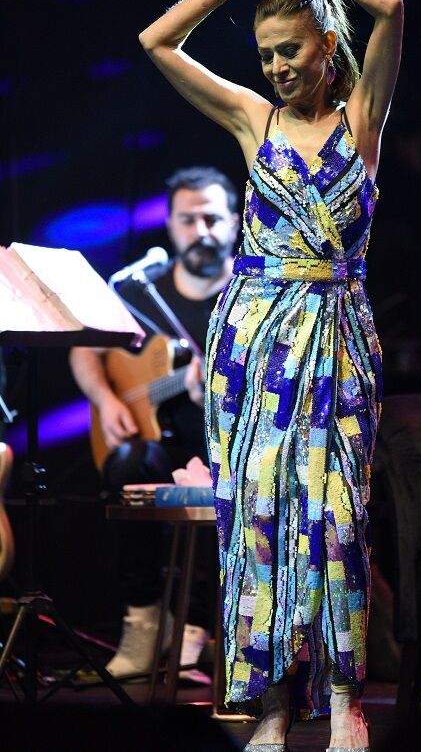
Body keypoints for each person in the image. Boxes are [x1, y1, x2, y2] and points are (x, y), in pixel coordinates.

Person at [138, 0, 403, 751]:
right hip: (253, 344)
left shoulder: (361, 120)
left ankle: (345, 700)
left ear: (327, 44)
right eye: (267, 55)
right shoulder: (255, 120)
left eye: (292, 50)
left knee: (337, 522)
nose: (279, 67)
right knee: (258, 520)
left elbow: (391, 7)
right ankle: (273, 703)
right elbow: (156, 41)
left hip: (337, 336)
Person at [69, 166, 239, 683]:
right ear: (169, 226)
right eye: (188, 220)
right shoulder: (141, 291)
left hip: (227, 446)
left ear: (235, 222)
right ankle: (143, 622)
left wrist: (220, 392)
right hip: (158, 445)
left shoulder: (251, 293)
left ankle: (196, 627)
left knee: (222, 476)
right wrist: (107, 400)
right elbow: (84, 350)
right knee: (125, 466)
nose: (201, 231)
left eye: (212, 218)